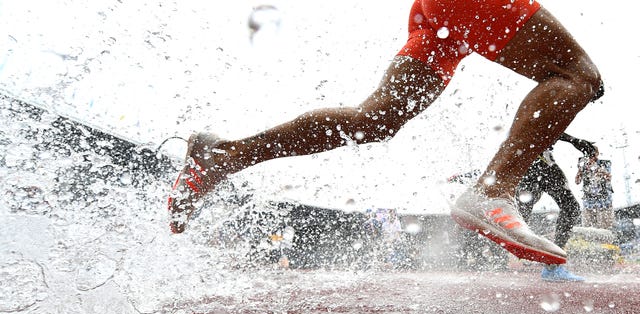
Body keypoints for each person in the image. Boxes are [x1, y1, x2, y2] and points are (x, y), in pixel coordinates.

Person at [168, 0, 603, 266]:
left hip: (437, 13)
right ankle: (493, 189)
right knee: (579, 76)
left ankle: (223, 155)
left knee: (375, 119)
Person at [516, 132, 598, 281]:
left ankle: (552, 264)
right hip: (532, 158)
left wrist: (574, 140)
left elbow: (548, 123)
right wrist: (574, 140)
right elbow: (543, 122)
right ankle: (551, 265)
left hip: (536, 158)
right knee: (523, 212)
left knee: (569, 207)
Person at [575, 148, 614, 230]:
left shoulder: (604, 164)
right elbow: (577, 181)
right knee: (588, 228)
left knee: (606, 228)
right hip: (589, 202)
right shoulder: (584, 166)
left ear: (597, 154)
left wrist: (599, 170)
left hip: (604, 201)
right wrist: (580, 170)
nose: (591, 157)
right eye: (588, 155)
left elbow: (608, 178)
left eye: (593, 154)